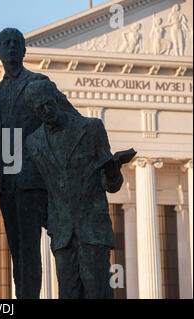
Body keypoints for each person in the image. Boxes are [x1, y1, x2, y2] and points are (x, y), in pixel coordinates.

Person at [0, 28, 80, 299]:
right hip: (8, 182)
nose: (12, 47)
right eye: (6, 43)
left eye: (17, 43)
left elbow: (70, 119)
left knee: (31, 250)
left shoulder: (39, 82)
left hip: (34, 179)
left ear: (24, 51)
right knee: (17, 252)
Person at [25, 80, 124, 299]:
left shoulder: (91, 128)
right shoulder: (33, 143)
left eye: (49, 104)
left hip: (92, 230)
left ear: (56, 100)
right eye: (40, 108)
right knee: (68, 293)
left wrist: (112, 171)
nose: (46, 110)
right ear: (34, 111)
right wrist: (50, 221)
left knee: (97, 293)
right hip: (62, 234)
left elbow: (112, 185)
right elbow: (40, 189)